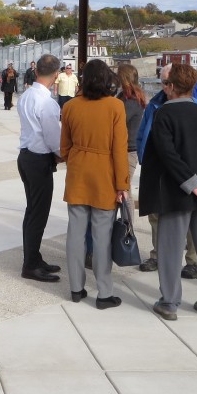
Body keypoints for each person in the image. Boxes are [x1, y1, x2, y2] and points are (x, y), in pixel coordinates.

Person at [139, 63, 197, 322]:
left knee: (170, 250)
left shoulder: (163, 116)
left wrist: (192, 184)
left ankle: (169, 302)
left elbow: (168, 155)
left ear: (170, 87)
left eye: (164, 85)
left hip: (176, 194)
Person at [62, 59, 130, 309]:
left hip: (78, 171)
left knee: (75, 234)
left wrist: (76, 159)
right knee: (102, 236)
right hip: (105, 175)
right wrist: (122, 183)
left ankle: (76, 288)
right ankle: (104, 292)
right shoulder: (115, 106)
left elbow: (64, 146)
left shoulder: (70, 106)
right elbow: (120, 149)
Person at [136, 64, 197, 279]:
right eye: (161, 82)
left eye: (167, 83)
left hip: (185, 172)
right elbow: (142, 134)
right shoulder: (154, 105)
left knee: (189, 216)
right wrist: (143, 158)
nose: (164, 87)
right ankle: (157, 255)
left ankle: (192, 261)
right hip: (156, 171)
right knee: (155, 215)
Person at [16, 53, 64, 282]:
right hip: (38, 159)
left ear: (36, 72)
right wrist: (62, 155)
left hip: (26, 156)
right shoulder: (47, 103)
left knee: (32, 211)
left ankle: (34, 257)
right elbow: (53, 138)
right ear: (56, 74)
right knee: (38, 213)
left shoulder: (27, 95)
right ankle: (30, 264)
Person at [116, 63, 147, 208]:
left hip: (129, 150)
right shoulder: (123, 96)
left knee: (125, 189)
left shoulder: (132, 100)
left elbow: (117, 120)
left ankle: (129, 227)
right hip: (124, 148)